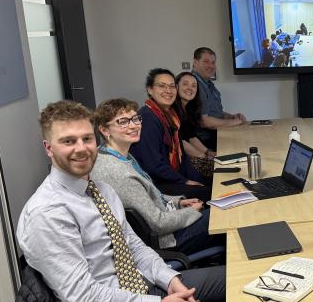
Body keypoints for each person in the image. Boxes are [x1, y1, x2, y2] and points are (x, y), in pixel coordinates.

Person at [16, 100, 253, 302]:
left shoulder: (99, 189)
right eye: (68, 141)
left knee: (238, 280)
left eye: (86, 139)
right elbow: (81, 299)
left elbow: (136, 248)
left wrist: (170, 281)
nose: (81, 148)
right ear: (49, 147)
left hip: (133, 290)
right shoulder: (47, 213)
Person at [92, 97, 223, 257]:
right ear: (105, 130)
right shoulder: (119, 173)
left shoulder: (114, 153)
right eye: (123, 122)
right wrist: (192, 212)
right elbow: (158, 224)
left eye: (135, 119)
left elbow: (151, 196)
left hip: (168, 222)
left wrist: (178, 202)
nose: (133, 125)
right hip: (168, 241)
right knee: (226, 213)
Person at [129, 68, 211, 201]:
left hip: (172, 176)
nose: (168, 91)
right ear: (150, 89)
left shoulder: (171, 115)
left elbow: (182, 157)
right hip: (157, 184)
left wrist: (195, 178)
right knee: (211, 192)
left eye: (172, 86)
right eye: (161, 86)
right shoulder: (147, 118)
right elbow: (153, 165)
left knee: (214, 181)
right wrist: (184, 181)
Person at [191, 47, 247, 149]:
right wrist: (235, 122)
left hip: (217, 135)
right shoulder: (194, 84)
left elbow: (215, 113)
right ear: (195, 62)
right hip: (205, 142)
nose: (211, 66)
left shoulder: (209, 85)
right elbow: (205, 121)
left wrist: (232, 116)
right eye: (206, 62)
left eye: (213, 62)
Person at [175, 71, 218, 178]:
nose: (190, 88)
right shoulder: (173, 110)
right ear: (176, 87)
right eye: (185, 84)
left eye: (194, 86)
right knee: (218, 172)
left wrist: (208, 152)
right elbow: (181, 142)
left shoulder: (189, 108)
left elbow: (191, 137)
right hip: (181, 160)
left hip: (190, 153)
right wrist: (202, 156)